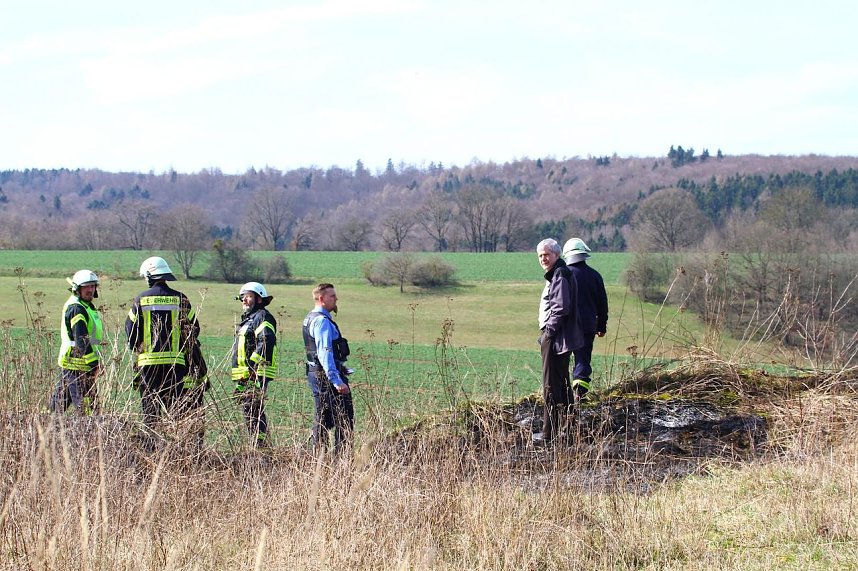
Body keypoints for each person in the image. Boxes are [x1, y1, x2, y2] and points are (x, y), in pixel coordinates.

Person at [125, 256, 207, 445]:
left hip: (148, 366)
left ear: (149, 276)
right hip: (175, 365)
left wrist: (140, 348)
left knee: (151, 413)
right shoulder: (181, 299)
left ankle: (151, 451)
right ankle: (177, 453)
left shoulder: (141, 299)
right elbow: (194, 329)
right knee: (175, 412)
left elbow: (130, 332)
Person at [533, 238, 583, 445]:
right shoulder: (558, 273)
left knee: (550, 386)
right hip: (560, 338)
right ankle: (569, 430)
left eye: (547, 254)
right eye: (540, 256)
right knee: (561, 384)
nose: (543, 259)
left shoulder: (560, 274)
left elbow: (561, 307)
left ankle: (548, 435)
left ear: (557, 255)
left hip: (556, 339)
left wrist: (548, 334)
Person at [302, 283, 354, 455]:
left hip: (315, 373)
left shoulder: (309, 317)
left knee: (323, 417)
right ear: (322, 299)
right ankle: (343, 459)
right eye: (332, 296)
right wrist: (336, 380)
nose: (336, 299)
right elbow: (325, 352)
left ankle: (319, 459)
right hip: (326, 377)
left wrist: (341, 367)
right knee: (344, 418)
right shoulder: (322, 321)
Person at [50, 269, 104, 415]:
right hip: (78, 364)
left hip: (73, 364)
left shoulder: (84, 306)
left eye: (93, 286)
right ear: (77, 289)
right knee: (87, 410)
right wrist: (94, 364)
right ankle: (89, 434)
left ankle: (44, 428)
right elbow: (82, 339)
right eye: (87, 286)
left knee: (58, 406)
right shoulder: (77, 308)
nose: (91, 290)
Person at [231, 282, 277, 448]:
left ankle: (261, 447)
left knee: (253, 410)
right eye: (243, 297)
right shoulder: (250, 319)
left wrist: (252, 368)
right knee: (250, 410)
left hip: (255, 373)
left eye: (249, 296)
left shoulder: (262, 316)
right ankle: (258, 445)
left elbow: (266, 340)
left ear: (259, 299)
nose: (244, 300)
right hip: (247, 373)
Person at [562, 238, 609, 402]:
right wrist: (601, 326)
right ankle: (579, 394)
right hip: (588, 326)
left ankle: (561, 394)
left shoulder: (563, 274)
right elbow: (602, 304)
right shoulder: (595, 276)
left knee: (562, 359)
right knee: (582, 360)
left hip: (566, 327)